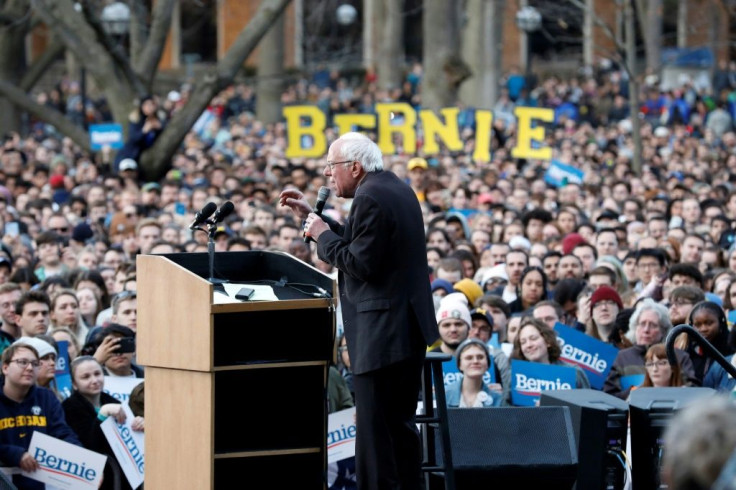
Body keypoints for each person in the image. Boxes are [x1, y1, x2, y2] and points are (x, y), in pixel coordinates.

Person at [279, 132, 438, 490]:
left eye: (331, 166)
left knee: (376, 438)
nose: (326, 174)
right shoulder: (390, 187)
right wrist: (315, 221)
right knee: (397, 431)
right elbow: (364, 243)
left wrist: (321, 234)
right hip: (402, 330)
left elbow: (358, 262)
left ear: (354, 166)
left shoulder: (371, 196)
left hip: (383, 334)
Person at [0, 342, 81, 489]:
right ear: (5, 367)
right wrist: (15, 454)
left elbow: (62, 433)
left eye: (35, 364)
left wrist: (84, 461)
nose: (30, 368)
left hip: (41, 483)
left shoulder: (46, 397)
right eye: (22, 362)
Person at [62, 356, 144, 490]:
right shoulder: (69, 407)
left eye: (97, 374)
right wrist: (102, 415)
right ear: (74, 384)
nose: (94, 380)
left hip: (121, 480)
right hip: (95, 480)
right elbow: (89, 445)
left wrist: (140, 423)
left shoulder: (112, 401)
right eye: (86, 377)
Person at [604, 298, 698, 399]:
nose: (646, 330)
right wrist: (638, 393)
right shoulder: (621, 358)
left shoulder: (678, 356)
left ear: (663, 330)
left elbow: (693, 389)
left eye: (653, 325)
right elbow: (609, 397)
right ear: (635, 327)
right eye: (642, 324)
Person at [511, 318, 590, 389]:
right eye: (523, 342)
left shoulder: (574, 372)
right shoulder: (515, 376)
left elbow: (587, 404)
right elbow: (506, 404)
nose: (528, 345)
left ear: (548, 341)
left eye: (533, 339)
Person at [445, 338, 502, 408]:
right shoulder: (444, 395)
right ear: (460, 365)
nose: (475, 361)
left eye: (480, 357)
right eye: (469, 358)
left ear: (487, 364)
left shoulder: (498, 399)